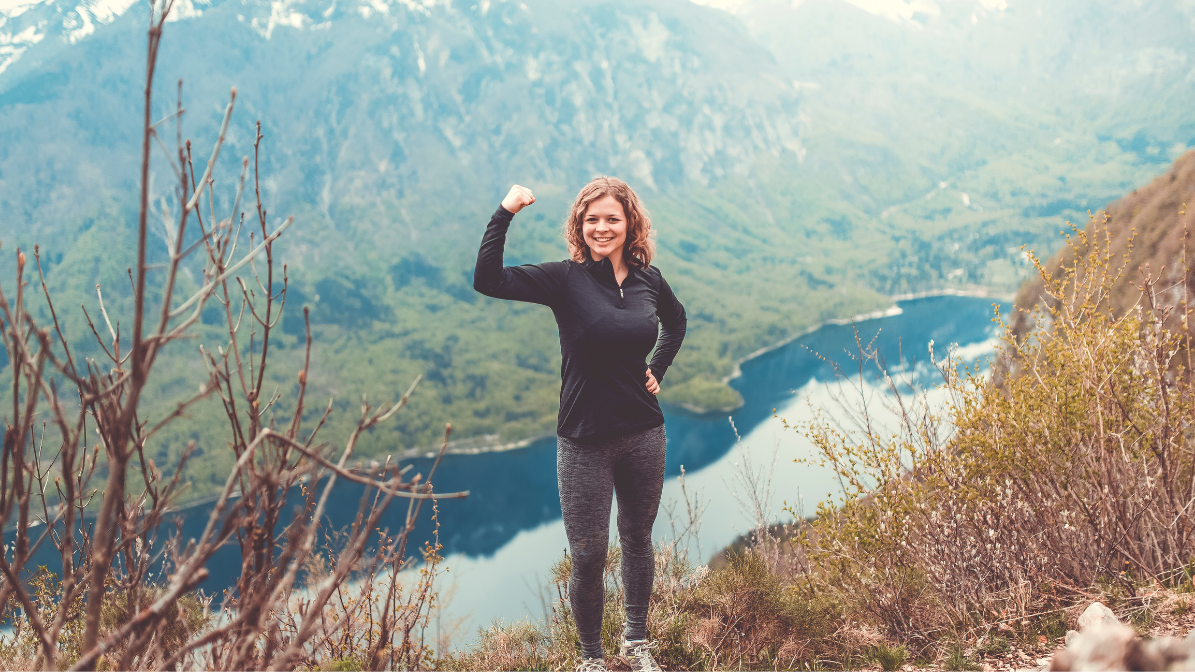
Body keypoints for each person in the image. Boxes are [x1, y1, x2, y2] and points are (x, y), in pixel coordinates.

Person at [474, 177, 687, 672]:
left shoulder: (650, 281)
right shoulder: (563, 279)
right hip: (584, 440)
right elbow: (488, 280)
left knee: (638, 538)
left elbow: (676, 323)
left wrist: (658, 368)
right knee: (589, 555)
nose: (602, 227)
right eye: (592, 219)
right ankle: (590, 659)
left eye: (612, 218)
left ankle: (636, 644)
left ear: (630, 222)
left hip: (643, 432)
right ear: (579, 225)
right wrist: (505, 210)